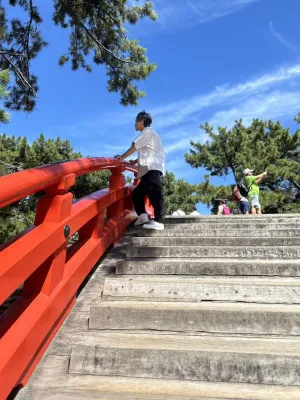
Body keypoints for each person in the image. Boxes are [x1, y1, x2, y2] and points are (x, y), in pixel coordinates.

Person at [115, 111, 165, 230]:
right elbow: (148, 151)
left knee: (155, 192)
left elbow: (135, 147)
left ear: (142, 121)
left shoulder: (147, 132)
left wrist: (122, 157)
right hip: (149, 168)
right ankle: (142, 216)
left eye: (136, 121)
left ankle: (159, 220)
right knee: (138, 194)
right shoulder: (152, 135)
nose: (135, 124)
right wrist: (134, 162)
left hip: (151, 167)